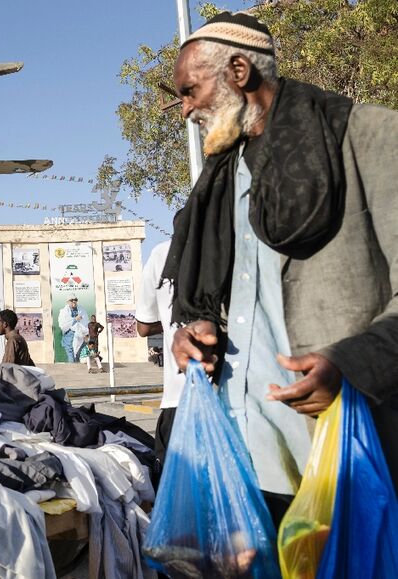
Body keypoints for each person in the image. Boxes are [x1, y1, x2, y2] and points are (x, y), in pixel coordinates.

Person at [164, 11, 398, 528]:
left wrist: (352, 365)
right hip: (244, 464)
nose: (185, 110)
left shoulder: (369, 138)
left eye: (190, 90)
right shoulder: (222, 178)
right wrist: (198, 330)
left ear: (239, 72)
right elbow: (236, 297)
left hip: (344, 462)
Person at [136, 240, 187, 469]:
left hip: (179, 397)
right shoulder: (239, 241)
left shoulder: (162, 252)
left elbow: (143, 327)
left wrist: (171, 325)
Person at [57, 295, 87, 363]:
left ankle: (79, 371)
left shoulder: (82, 310)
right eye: (71, 300)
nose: (74, 301)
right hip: (69, 338)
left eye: (75, 300)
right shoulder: (63, 312)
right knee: (71, 357)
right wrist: (75, 319)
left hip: (80, 337)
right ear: (67, 302)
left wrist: (85, 333)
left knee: (79, 355)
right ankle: (72, 371)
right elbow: (63, 325)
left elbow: (86, 322)